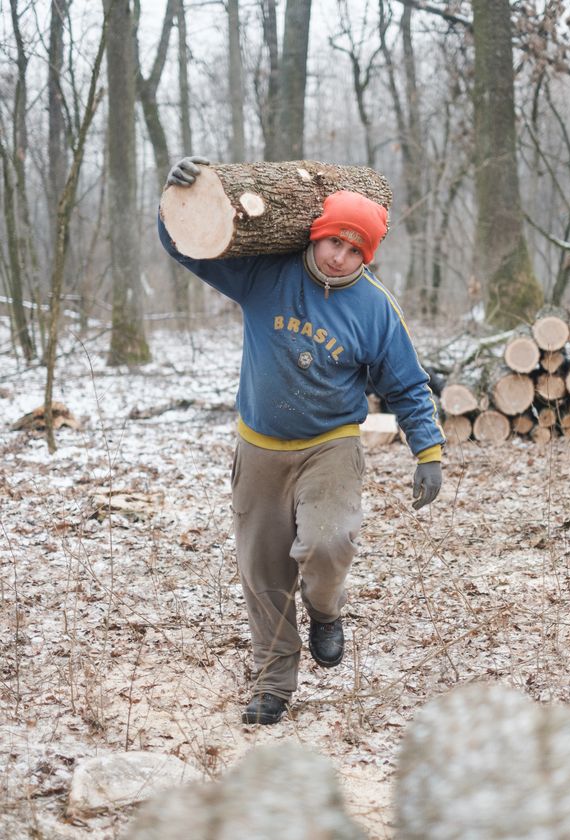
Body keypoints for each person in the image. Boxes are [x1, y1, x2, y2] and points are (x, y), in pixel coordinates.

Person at [159, 156, 445, 725]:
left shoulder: (375, 309)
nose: (339, 256)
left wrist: (428, 451)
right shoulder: (266, 274)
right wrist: (179, 198)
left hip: (330, 445)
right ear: (316, 234)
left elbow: (407, 384)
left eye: (354, 249)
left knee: (328, 543)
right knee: (263, 573)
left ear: (367, 256)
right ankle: (273, 685)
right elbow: (188, 249)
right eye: (333, 241)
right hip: (259, 447)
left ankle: (326, 609)